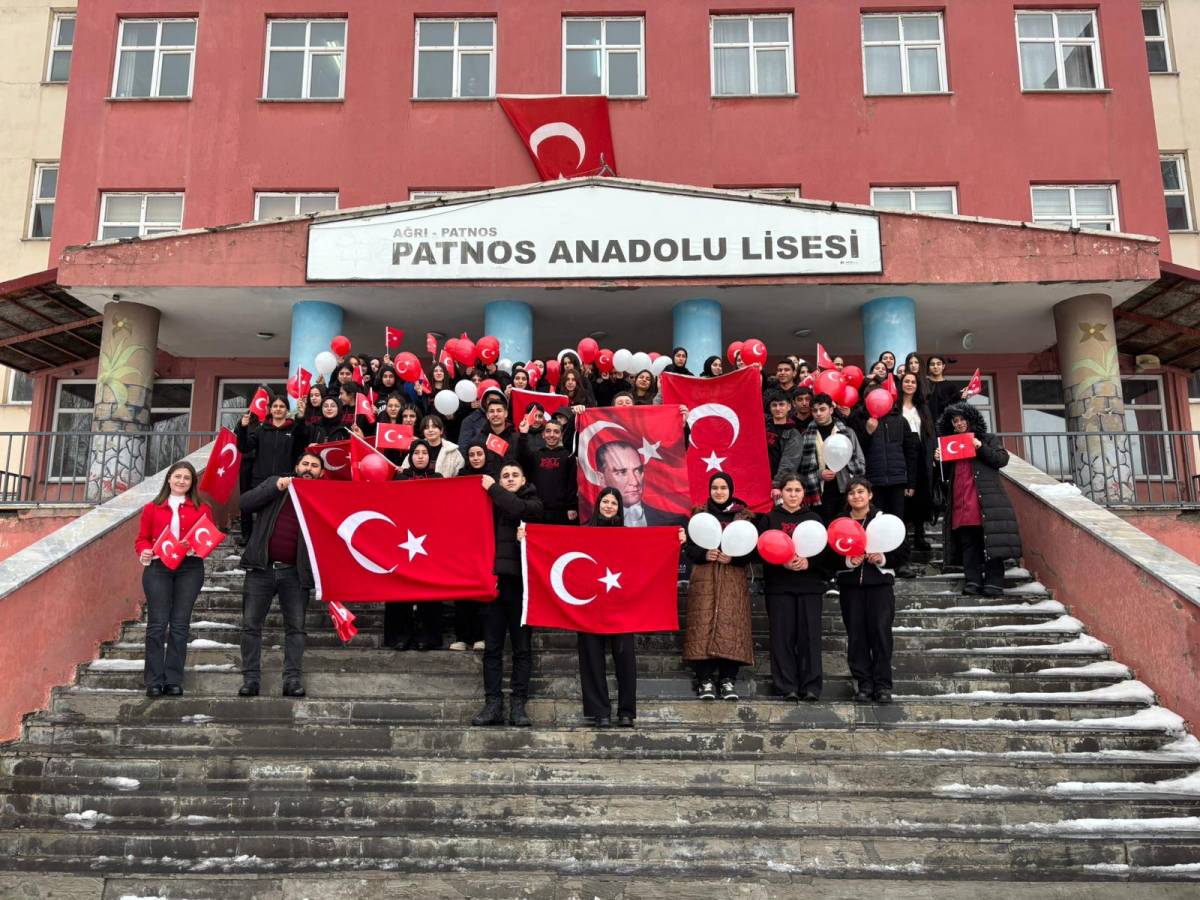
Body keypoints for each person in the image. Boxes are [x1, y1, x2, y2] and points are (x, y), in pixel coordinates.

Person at [237, 451, 324, 698]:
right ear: (296, 467)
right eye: (305, 463)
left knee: (296, 629)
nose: (309, 468)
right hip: (261, 569)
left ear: (321, 473)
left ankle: (292, 680)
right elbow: (245, 503)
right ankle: (251, 680)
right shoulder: (276, 484)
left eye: (314, 466)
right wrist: (275, 487)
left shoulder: (323, 496)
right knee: (251, 626)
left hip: (296, 574)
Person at [472, 462, 544, 727]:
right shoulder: (487, 504)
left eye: (515, 475)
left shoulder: (533, 504)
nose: (510, 479)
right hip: (493, 585)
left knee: (522, 649)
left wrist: (492, 488)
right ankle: (493, 704)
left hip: (522, 588)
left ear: (524, 480)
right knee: (492, 649)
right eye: (505, 476)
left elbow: (517, 508)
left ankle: (518, 705)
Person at [135, 462, 212, 698]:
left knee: (179, 625)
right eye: (177, 476)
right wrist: (144, 551)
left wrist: (196, 547)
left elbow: (208, 538)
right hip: (159, 567)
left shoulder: (202, 508)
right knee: (157, 626)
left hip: (190, 568)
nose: (181, 481)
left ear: (192, 483)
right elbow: (142, 539)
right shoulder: (152, 508)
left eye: (186, 478)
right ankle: (154, 681)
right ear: (169, 479)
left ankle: (173, 680)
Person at [936, 402, 1023, 597]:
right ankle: (972, 580)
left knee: (991, 541)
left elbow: (1001, 460)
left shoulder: (987, 438)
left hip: (986, 501)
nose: (959, 423)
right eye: (955, 421)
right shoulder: (949, 445)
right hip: (961, 501)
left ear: (971, 419)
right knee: (969, 543)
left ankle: (994, 582)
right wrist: (938, 461)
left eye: (962, 419)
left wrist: (980, 446)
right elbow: (944, 478)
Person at [683, 473, 755, 701]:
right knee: (702, 625)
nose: (719, 492)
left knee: (731, 627)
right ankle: (704, 679)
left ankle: (727, 679)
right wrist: (705, 554)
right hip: (704, 578)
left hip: (733, 578)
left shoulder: (743, 517)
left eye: (723, 487)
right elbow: (689, 549)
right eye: (715, 487)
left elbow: (752, 550)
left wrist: (733, 558)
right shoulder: (699, 516)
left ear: (730, 490)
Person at [757, 474, 828, 702]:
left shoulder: (814, 519)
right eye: (789, 490)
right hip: (779, 587)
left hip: (809, 587)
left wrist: (809, 562)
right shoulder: (769, 519)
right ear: (781, 492)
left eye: (798, 490)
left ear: (803, 493)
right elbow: (760, 551)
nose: (793, 495)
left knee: (810, 638)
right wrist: (781, 561)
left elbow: (825, 551)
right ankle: (786, 686)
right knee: (782, 638)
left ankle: (811, 687)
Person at [836, 477, 907, 704]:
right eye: (851, 493)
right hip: (851, 588)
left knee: (881, 635)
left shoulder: (885, 521)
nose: (856, 496)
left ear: (870, 495)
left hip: (880, 586)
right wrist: (847, 561)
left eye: (860, 491)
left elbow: (902, 552)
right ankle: (864, 684)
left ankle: (883, 685)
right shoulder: (840, 524)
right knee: (856, 636)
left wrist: (883, 558)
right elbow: (828, 555)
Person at [576, 489, 641, 727]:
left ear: (619, 508)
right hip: (589, 607)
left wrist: (675, 540)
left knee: (625, 660)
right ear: (598, 504)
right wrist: (527, 536)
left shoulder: (629, 536)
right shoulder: (582, 533)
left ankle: (626, 712)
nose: (609, 506)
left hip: (621, 607)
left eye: (614, 503)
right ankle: (600, 712)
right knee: (591, 660)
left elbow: (646, 559)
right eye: (605, 501)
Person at [849, 384, 919, 576]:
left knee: (898, 522)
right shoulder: (859, 419)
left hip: (897, 479)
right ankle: (876, 558)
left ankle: (901, 562)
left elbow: (910, 451)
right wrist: (868, 432)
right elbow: (855, 449)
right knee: (874, 522)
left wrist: (911, 482)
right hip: (872, 481)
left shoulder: (900, 419)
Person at [387, 439, 445, 651]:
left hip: (429, 541)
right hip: (402, 539)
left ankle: (426, 636)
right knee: (400, 588)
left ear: (430, 457)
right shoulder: (399, 478)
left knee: (429, 590)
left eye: (424, 453)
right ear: (410, 456)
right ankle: (400, 636)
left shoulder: (439, 479)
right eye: (416, 453)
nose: (420, 456)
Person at [798, 393, 866, 523]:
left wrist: (848, 470)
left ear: (831, 410)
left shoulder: (847, 432)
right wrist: (819, 474)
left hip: (845, 490)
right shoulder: (806, 436)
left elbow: (861, 462)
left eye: (822, 409)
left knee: (844, 526)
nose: (818, 413)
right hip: (818, 492)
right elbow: (801, 469)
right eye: (815, 410)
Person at [596, 440, 683, 525]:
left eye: (638, 470)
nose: (635, 482)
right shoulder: (592, 529)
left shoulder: (676, 523)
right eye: (621, 472)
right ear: (601, 479)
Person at [899, 372, 936, 551]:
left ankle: (920, 535)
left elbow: (930, 432)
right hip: (902, 453)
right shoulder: (895, 406)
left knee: (921, 494)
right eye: (906, 381)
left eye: (913, 382)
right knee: (904, 495)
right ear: (901, 384)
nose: (909, 384)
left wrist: (933, 453)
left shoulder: (922, 407)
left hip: (921, 453)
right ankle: (903, 536)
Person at [518, 415, 577, 525]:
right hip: (537, 510)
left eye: (556, 432)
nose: (552, 435)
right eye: (548, 431)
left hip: (560, 511)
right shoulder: (535, 455)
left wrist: (572, 506)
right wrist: (523, 434)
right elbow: (522, 457)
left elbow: (572, 483)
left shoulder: (568, 456)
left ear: (561, 435)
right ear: (543, 435)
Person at [765, 389, 803, 490]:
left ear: (789, 407)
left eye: (781, 404)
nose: (778, 408)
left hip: (778, 486)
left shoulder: (793, 433)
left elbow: (789, 463)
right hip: (757, 481)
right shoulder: (761, 427)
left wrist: (777, 485)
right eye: (774, 405)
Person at [924, 354, 960, 425]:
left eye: (938, 364)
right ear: (928, 367)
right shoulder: (923, 384)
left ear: (943, 366)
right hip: (925, 423)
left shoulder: (951, 386)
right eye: (932, 364)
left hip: (945, 425)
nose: (935, 367)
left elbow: (957, 407)